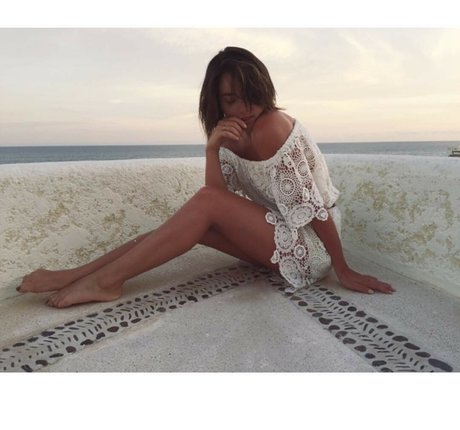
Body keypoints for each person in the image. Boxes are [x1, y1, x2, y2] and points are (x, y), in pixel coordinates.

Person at [17, 46, 394, 308]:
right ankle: (76, 275)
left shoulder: (271, 126)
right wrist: (213, 150)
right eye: (232, 100)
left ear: (263, 90)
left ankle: (106, 282)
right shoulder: (229, 132)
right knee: (175, 229)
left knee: (199, 209)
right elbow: (215, 203)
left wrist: (342, 267)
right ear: (216, 102)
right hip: (277, 237)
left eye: (251, 96)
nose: (245, 108)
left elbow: (313, 207)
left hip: (312, 247)